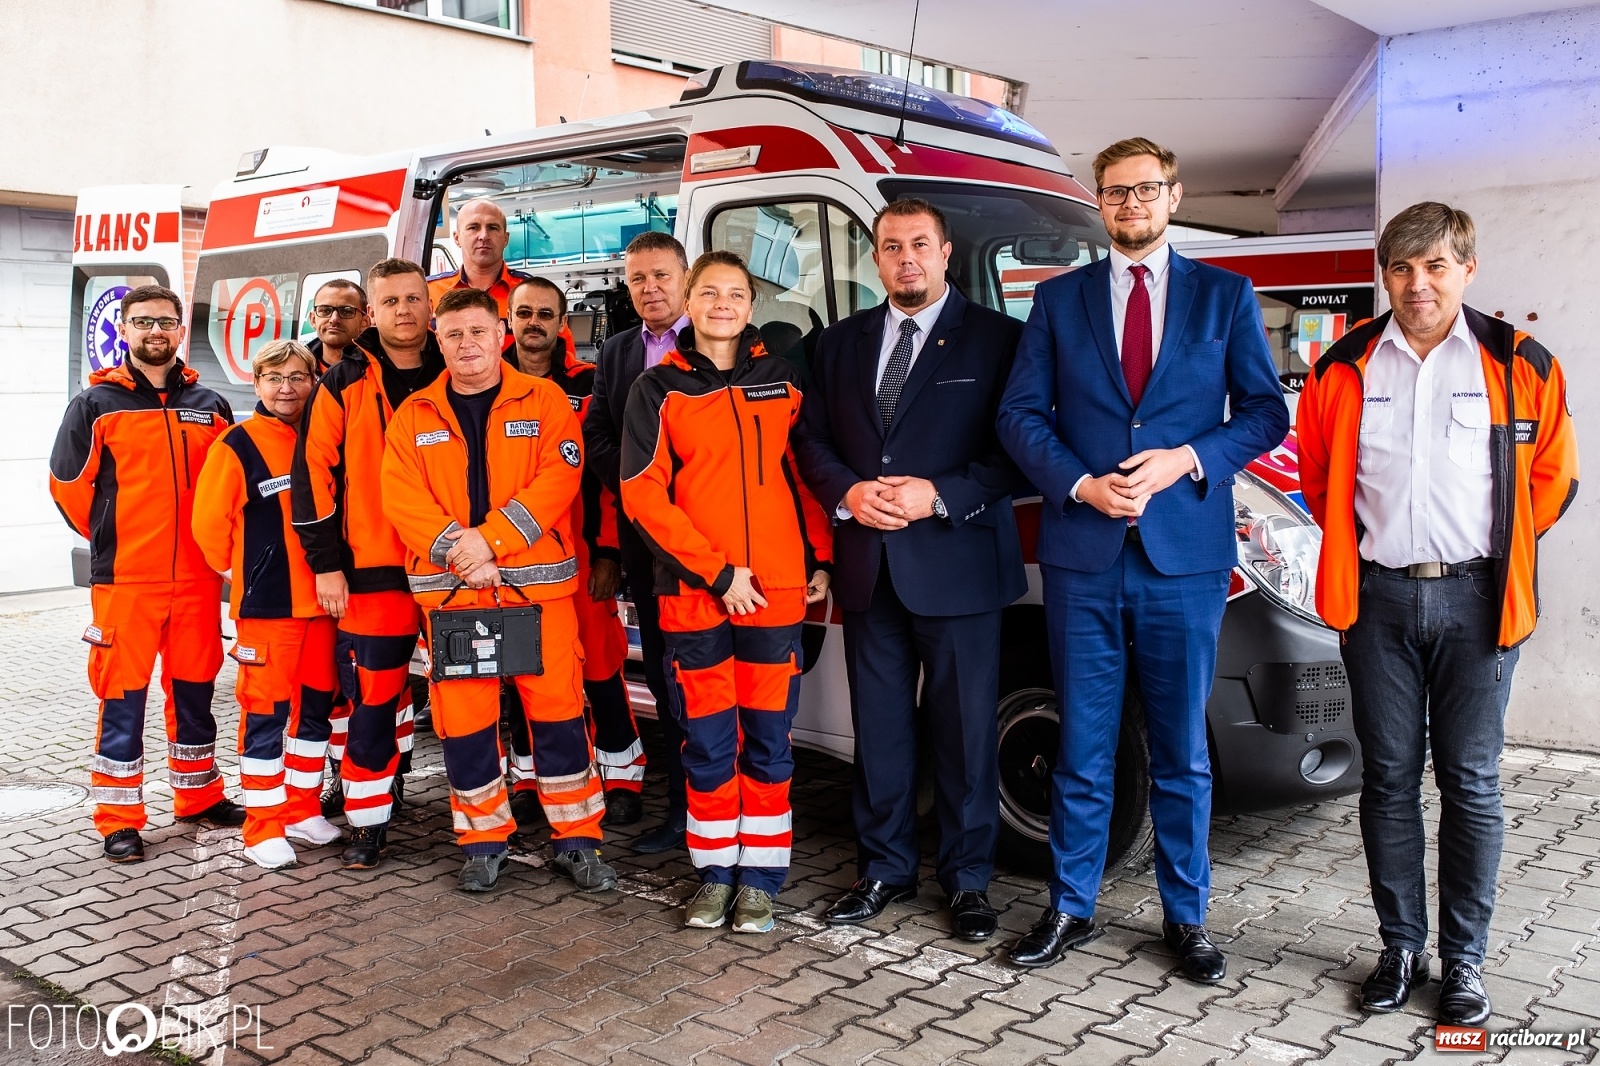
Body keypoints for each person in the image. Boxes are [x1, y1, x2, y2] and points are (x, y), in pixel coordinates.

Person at [996, 137, 1290, 978]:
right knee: (1084, 747)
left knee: (1181, 752)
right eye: (1117, 192)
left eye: (1147, 189)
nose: (1132, 204)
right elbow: (1020, 417)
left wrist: (1187, 458)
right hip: (1086, 552)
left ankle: (1187, 919)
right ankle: (1070, 907)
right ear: (1099, 202)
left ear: (1174, 193)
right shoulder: (1058, 301)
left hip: (1183, 561)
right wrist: (1081, 485)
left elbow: (1265, 415)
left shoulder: (1223, 296)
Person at [1295, 203, 1579, 1025]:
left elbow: (1552, 480)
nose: (1418, 285)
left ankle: (1465, 964)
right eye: (1401, 269)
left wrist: (1494, 555)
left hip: (1478, 602)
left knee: (1472, 783)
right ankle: (1399, 949)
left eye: (1436, 267)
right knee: (1386, 781)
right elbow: (1320, 478)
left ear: (1467, 269)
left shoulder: (1518, 361)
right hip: (1375, 601)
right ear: (1384, 275)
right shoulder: (1345, 365)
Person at [793, 199, 1026, 942]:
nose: (906, 259)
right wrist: (849, 493)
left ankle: (966, 882)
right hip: (869, 565)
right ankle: (884, 869)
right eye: (891, 247)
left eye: (919, 245)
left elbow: (1017, 450)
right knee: (882, 733)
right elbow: (811, 441)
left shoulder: (999, 341)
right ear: (876, 257)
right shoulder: (838, 345)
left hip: (958, 564)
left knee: (963, 735)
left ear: (946, 252)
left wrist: (942, 495)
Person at [621, 250, 832, 933]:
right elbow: (642, 495)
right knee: (710, 742)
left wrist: (820, 556)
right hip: (696, 594)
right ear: (688, 298)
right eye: (708, 292)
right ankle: (714, 875)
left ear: (750, 303)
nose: (721, 304)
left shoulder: (783, 379)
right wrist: (716, 574)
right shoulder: (659, 388)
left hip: (774, 592)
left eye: (734, 293)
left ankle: (762, 881)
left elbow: (805, 476)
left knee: (769, 740)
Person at [381, 286, 616, 893]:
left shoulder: (545, 402)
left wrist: (491, 542)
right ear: (439, 339)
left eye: (477, 332)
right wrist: (464, 554)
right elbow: (402, 498)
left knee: (560, 715)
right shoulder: (414, 416)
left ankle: (578, 839)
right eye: (453, 334)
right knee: (464, 722)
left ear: (500, 335)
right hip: (458, 596)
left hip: (538, 595)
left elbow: (559, 479)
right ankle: (483, 841)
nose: (466, 345)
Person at [48, 284, 245, 862]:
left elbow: (227, 489)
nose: (155, 331)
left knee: (195, 691)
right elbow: (67, 486)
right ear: (125, 331)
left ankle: (200, 796)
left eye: (165, 321)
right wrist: (114, 537)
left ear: (181, 330)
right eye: (142, 322)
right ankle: (118, 817)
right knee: (122, 695)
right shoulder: (96, 404)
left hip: (199, 580)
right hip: (127, 582)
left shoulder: (212, 406)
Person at [292, 258, 442, 869]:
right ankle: (367, 821)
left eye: (414, 299)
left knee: (468, 696)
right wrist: (327, 564)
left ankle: (482, 827)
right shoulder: (343, 381)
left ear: (429, 306)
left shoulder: (461, 365)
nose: (404, 311)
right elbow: (313, 476)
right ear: (371, 313)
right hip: (371, 569)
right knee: (374, 701)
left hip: (452, 567)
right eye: (391, 301)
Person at [192, 340, 342, 869]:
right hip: (269, 610)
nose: (286, 388)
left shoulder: (323, 438)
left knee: (314, 716)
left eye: (298, 377)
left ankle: (302, 809)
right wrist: (245, 573)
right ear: (256, 384)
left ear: (311, 381)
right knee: (265, 716)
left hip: (325, 605)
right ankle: (262, 827)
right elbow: (209, 528)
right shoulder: (236, 444)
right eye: (274, 378)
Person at [504, 277, 645, 827]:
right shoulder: (486, 386)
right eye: (524, 313)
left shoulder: (591, 384)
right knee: (521, 673)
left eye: (545, 313)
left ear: (562, 322)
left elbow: (609, 477)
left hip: (583, 554)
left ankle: (623, 777)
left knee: (602, 669)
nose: (533, 322)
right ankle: (529, 779)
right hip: (513, 560)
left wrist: (609, 551)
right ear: (508, 322)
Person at [584, 230, 693, 854]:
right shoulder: (620, 350)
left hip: (707, 540)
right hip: (645, 544)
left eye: (660, 276)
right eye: (637, 280)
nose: (650, 289)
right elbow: (597, 430)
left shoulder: (713, 336)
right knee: (664, 674)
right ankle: (681, 811)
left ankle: (711, 808)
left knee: (703, 678)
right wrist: (635, 489)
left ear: (685, 276)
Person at [427, 198, 530, 336]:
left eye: (492, 227)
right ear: (457, 238)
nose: (484, 236)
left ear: (505, 238)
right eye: (473, 227)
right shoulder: (428, 292)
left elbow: (561, 351)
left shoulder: (531, 293)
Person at [306, 279, 370, 371]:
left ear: (365, 322)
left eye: (346, 311)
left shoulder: (381, 369)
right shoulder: (296, 366)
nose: (334, 319)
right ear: (313, 320)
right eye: (325, 311)